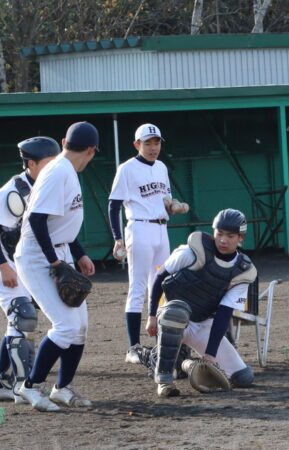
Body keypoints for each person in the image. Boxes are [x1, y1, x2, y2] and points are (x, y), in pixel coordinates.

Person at [13, 122, 99, 412]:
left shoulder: (66, 170)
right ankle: (30, 386)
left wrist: (80, 254)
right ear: (91, 150)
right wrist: (54, 261)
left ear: (64, 142)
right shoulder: (59, 171)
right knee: (65, 327)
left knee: (80, 327)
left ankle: (61, 389)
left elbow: (60, 223)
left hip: (58, 251)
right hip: (37, 256)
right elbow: (36, 220)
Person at [0, 137, 60, 403]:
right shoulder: (13, 191)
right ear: (30, 164)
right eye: (47, 163)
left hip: (20, 259)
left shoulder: (49, 186)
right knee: (22, 316)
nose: (53, 167)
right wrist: (3, 267)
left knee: (20, 321)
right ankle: (20, 386)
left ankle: (0, 385)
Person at [145, 209, 256, 397]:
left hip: (204, 324)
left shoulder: (242, 271)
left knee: (243, 378)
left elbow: (224, 314)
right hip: (173, 320)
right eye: (219, 233)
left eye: (230, 236)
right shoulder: (193, 251)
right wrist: (151, 316)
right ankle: (163, 379)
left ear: (241, 238)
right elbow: (159, 278)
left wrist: (210, 354)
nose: (223, 240)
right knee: (176, 312)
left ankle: (185, 363)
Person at [108, 123, 188, 364]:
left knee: (162, 284)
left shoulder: (161, 167)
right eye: (148, 143)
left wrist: (174, 206)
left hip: (161, 230)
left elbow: (165, 201)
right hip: (139, 228)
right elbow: (113, 205)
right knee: (138, 287)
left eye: (157, 143)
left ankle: (162, 343)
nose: (153, 148)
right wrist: (117, 238)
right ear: (137, 144)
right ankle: (133, 348)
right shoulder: (127, 169)